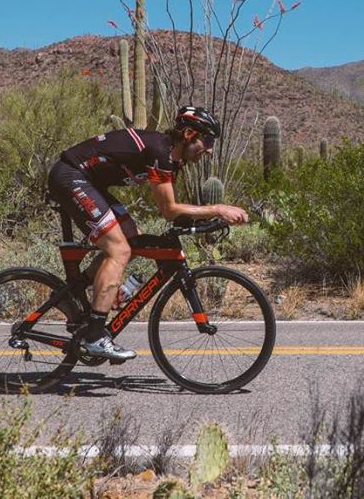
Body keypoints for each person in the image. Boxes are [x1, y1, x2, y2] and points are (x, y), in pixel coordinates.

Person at [46, 106, 248, 361]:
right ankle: (95, 336)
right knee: (119, 250)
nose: (209, 150)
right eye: (207, 141)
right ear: (188, 134)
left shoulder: (173, 161)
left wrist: (206, 222)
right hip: (71, 177)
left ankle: (73, 294)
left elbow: (175, 212)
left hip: (88, 182)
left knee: (134, 239)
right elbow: (169, 209)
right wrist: (217, 209)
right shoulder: (159, 152)